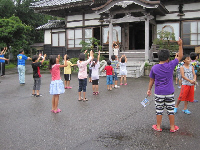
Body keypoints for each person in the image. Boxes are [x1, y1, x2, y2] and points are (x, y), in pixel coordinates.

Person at [147, 37, 183, 133]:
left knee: (159, 110)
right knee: (170, 110)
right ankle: (172, 127)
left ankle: (158, 127)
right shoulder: (171, 65)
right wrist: (180, 45)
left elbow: (151, 80)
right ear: (168, 58)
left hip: (159, 92)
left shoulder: (154, 68)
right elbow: (180, 57)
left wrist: (149, 89)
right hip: (169, 92)